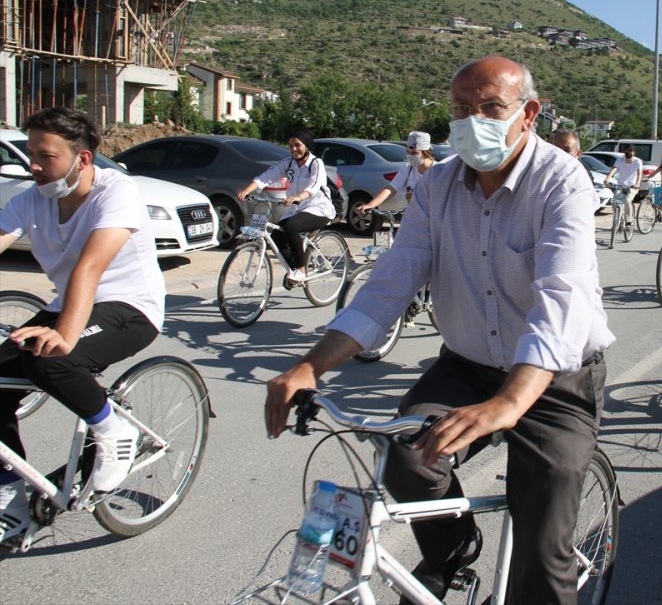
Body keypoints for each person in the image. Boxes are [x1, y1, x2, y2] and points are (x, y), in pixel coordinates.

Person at [264, 56, 614, 605]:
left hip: (554, 380)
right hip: (468, 367)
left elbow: (560, 296)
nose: (474, 121)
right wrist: (311, 365)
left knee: (542, 554)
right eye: (461, 109)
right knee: (404, 456)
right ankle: (453, 549)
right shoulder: (439, 183)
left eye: (491, 108)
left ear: (529, 114)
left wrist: (510, 403)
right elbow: (393, 280)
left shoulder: (561, 179)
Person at [0, 107, 166, 542]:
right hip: (69, 304)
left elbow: (89, 267)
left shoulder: (116, 192)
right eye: (31, 154)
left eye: (46, 156)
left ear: (83, 159)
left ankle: (114, 431)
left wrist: (64, 335)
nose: (34, 165)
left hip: (130, 307)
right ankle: (11, 495)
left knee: (50, 359)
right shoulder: (31, 198)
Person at [236, 128, 336, 284]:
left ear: (307, 146)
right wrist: (247, 191)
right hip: (296, 209)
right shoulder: (288, 163)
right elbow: (266, 177)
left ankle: (301, 270)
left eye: (297, 145)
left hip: (318, 208)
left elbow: (314, 186)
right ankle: (295, 269)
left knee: (291, 226)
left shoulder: (316, 163)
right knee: (276, 237)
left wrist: (298, 197)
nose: (294, 149)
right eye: (290, 146)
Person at [357, 131, 437, 212]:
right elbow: (391, 189)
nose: (410, 156)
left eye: (414, 153)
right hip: (414, 216)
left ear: (426, 152)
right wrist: (370, 205)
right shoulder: (408, 168)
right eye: (408, 152)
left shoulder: (438, 171)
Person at [603, 144, 643, 226]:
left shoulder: (637, 161)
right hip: (621, 186)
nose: (628, 152)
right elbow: (614, 169)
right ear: (624, 151)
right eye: (627, 150)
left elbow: (639, 174)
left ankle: (628, 221)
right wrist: (607, 178)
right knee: (614, 202)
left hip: (632, 187)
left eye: (630, 151)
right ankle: (620, 220)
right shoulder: (620, 160)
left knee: (627, 200)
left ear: (634, 152)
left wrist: (637, 184)